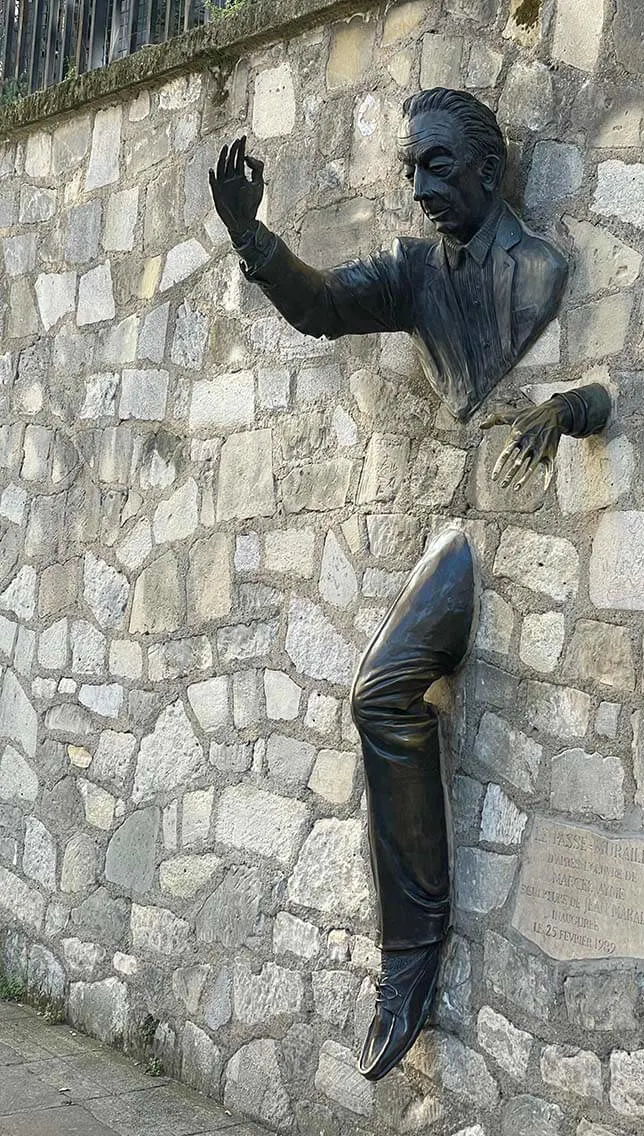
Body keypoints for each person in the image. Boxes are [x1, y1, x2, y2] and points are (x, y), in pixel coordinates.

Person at [209, 88, 612, 1080]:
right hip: (461, 530)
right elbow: (321, 305)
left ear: (487, 168)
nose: (419, 186)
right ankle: (409, 959)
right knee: (379, 693)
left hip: (512, 536)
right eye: (410, 168)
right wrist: (250, 236)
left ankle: (409, 958)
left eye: (437, 166)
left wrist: (573, 406)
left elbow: (604, 398)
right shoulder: (415, 274)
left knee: (382, 692)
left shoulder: (542, 268)